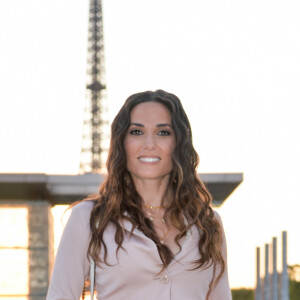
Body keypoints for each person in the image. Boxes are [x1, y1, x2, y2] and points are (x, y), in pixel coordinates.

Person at [46, 90, 232, 300]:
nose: (149, 144)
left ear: (179, 143)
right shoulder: (88, 219)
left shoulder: (208, 224)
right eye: (136, 132)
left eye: (163, 132)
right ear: (122, 143)